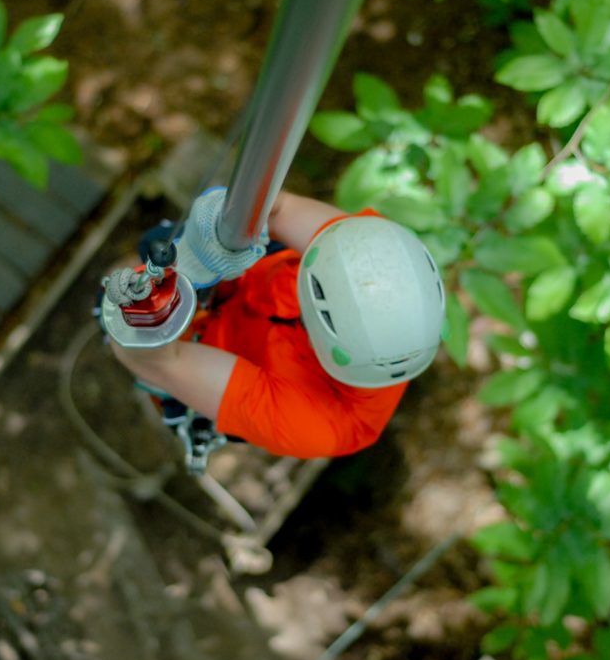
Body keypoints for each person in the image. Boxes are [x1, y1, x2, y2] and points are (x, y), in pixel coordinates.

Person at [109, 187, 446, 459]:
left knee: (119, 309)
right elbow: (279, 208)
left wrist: (141, 306)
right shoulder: (372, 255)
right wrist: (223, 216)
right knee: (158, 239)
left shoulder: (317, 425)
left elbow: (162, 363)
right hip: (248, 288)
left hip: (211, 352)